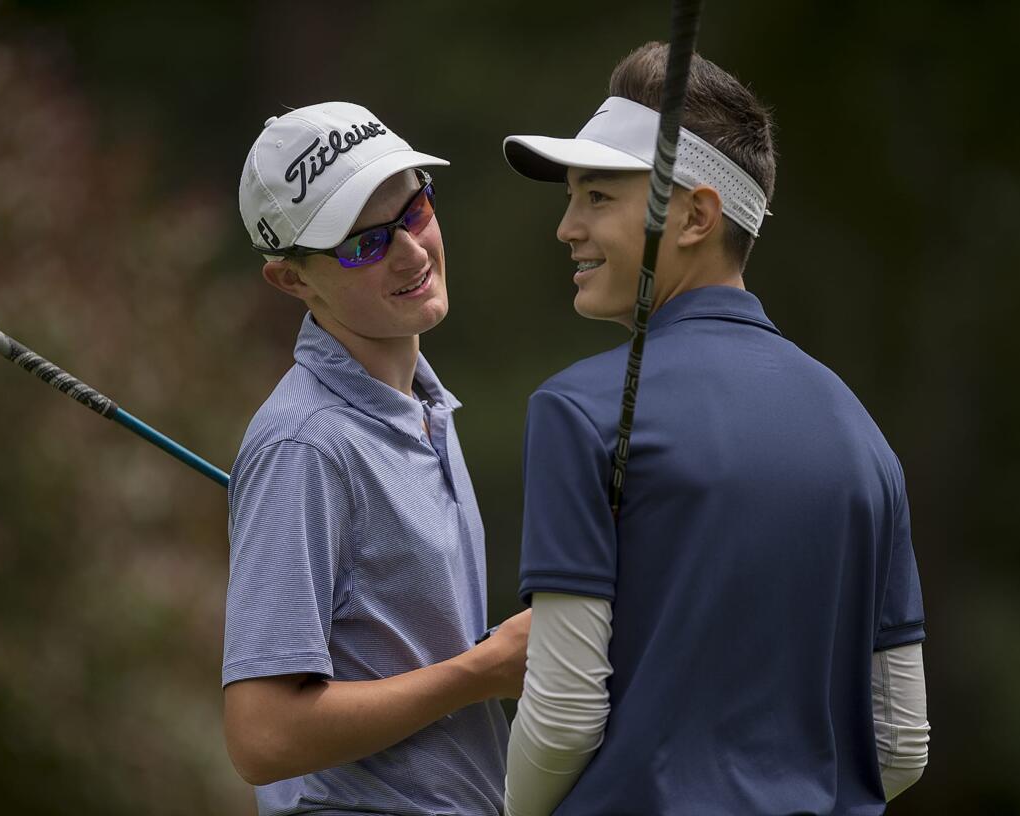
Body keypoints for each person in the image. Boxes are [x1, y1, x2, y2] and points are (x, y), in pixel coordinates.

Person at [500, 44, 930, 815]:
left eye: (598, 198)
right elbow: (899, 741)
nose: (567, 227)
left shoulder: (579, 411)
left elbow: (563, 716)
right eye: (572, 198)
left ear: (696, 215)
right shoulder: (865, 437)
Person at [224, 101, 527, 816]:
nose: (412, 252)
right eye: (363, 245)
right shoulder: (305, 446)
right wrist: (484, 670)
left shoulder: (424, 406)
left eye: (414, 208)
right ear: (291, 280)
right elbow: (261, 738)